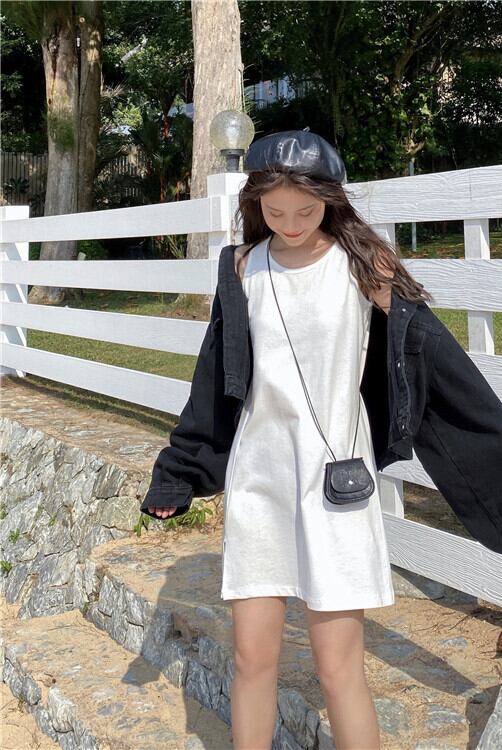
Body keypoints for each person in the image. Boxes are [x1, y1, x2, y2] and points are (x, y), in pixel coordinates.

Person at [148, 129, 434, 749]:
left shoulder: (365, 265)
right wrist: (180, 471)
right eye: (275, 212)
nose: (292, 224)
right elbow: (213, 379)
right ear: (256, 203)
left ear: (330, 199)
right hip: (261, 477)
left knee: (338, 669)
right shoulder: (242, 267)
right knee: (252, 659)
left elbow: (428, 358)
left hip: (336, 483)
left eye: (306, 210)